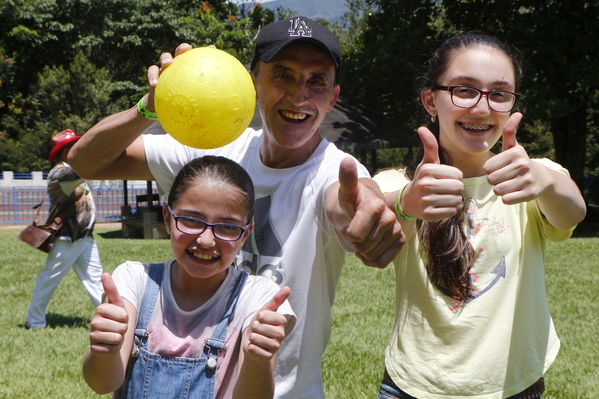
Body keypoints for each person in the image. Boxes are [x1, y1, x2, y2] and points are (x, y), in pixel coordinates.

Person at [69, 16, 403, 398]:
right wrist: (150, 106)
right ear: (253, 81)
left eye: (316, 81)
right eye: (283, 75)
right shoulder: (213, 144)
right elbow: (86, 160)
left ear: (333, 96)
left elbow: (347, 203)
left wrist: (371, 213)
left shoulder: (335, 171)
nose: (299, 96)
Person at [373, 33, 586, 399]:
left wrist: (546, 181)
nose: (482, 108)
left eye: (499, 94)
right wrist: (406, 201)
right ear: (430, 100)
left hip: (513, 385)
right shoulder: (399, 183)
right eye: (465, 90)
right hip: (414, 386)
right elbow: (361, 223)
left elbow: (572, 212)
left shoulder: (530, 178)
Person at [83, 155, 295, 398]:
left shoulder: (257, 297)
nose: (206, 240)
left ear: (246, 234)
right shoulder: (135, 280)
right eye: (191, 221)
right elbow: (102, 384)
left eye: (227, 227)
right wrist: (104, 351)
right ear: (167, 218)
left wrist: (258, 359)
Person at [25, 129, 104, 329]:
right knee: (50, 279)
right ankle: (35, 321)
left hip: (83, 236)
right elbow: (88, 167)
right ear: (63, 152)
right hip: (68, 237)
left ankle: (107, 317)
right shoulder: (61, 172)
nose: (79, 149)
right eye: (73, 147)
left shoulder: (73, 170)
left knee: (95, 280)